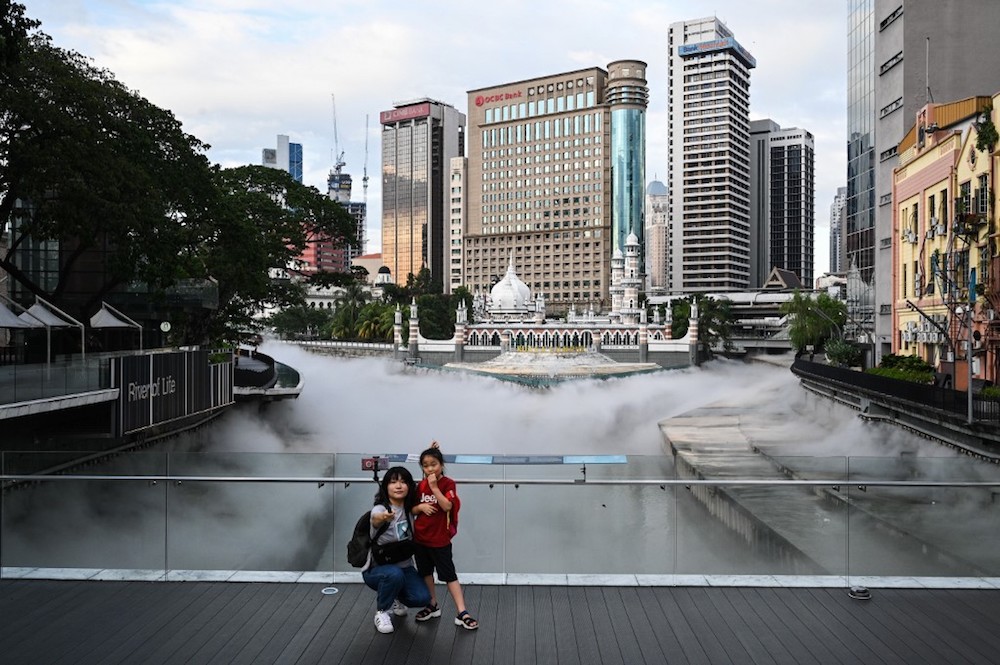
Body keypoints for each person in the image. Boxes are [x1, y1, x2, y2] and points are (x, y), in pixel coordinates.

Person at [411, 441, 479, 630]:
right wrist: (421, 506)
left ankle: (462, 612)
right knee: (425, 573)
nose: (430, 468)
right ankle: (432, 605)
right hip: (421, 538)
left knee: (449, 575)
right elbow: (413, 509)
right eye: (425, 465)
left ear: (441, 465)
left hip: (440, 539)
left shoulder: (447, 483)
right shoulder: (420, 485)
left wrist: (434, 488)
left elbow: (448, 506)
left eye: (434, 464)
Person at [361, 466, 431, 634]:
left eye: (403, 482)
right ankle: (382, 612)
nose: (398, 486)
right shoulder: (380, 508)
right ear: (386, 487)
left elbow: (427, 485)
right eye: (393, 482)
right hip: (376, 569)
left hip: (405, 567)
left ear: (409, 486)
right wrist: (383, 517)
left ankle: (394, 596)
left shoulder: (409, 510)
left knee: (422, 598)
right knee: (393, 574)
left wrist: (429, 458)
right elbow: (375, 519)